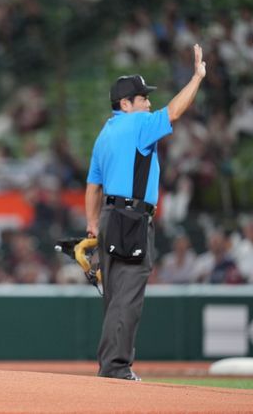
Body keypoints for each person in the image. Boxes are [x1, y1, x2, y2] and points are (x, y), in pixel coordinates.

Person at [85, 44, 206, 380]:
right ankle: (116, 368)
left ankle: (110, 366)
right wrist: (197, 77)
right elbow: (176, 111)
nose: (148, 103)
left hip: (110, 218)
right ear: (126, 104)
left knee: (114, 298)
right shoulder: (138, 126)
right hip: (133, 219)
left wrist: (92, 223)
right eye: (142, 98)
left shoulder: (104, 134)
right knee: (128, 297)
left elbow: (93, 186)